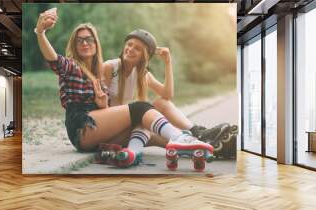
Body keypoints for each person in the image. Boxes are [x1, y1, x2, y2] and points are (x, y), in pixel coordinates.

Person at [35, 8, 213, 168]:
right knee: (141, 108)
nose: (84, 43)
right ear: (74, 45)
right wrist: (41, 32)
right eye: (79, 40)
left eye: (89, 39)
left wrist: (102, 103)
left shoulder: (97, 71)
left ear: (96, 44)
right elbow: (54, 60)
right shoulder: (72, 67)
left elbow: (105, 111)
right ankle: (180, 137)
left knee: (144, 127)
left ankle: (186, 147)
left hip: (95, 130)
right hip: (81, 127)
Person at [103, 29, 236, 151]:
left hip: (125, 128)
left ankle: (200, 137)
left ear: (144, 56)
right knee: (153, 127)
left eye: (137, 48)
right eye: (129, 44)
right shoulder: (110, 67)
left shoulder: (142, 74)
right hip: (110, 130)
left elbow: (167, 95)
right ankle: (198, 140)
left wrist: (168, 62)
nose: (130, 49)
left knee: (161, 104)